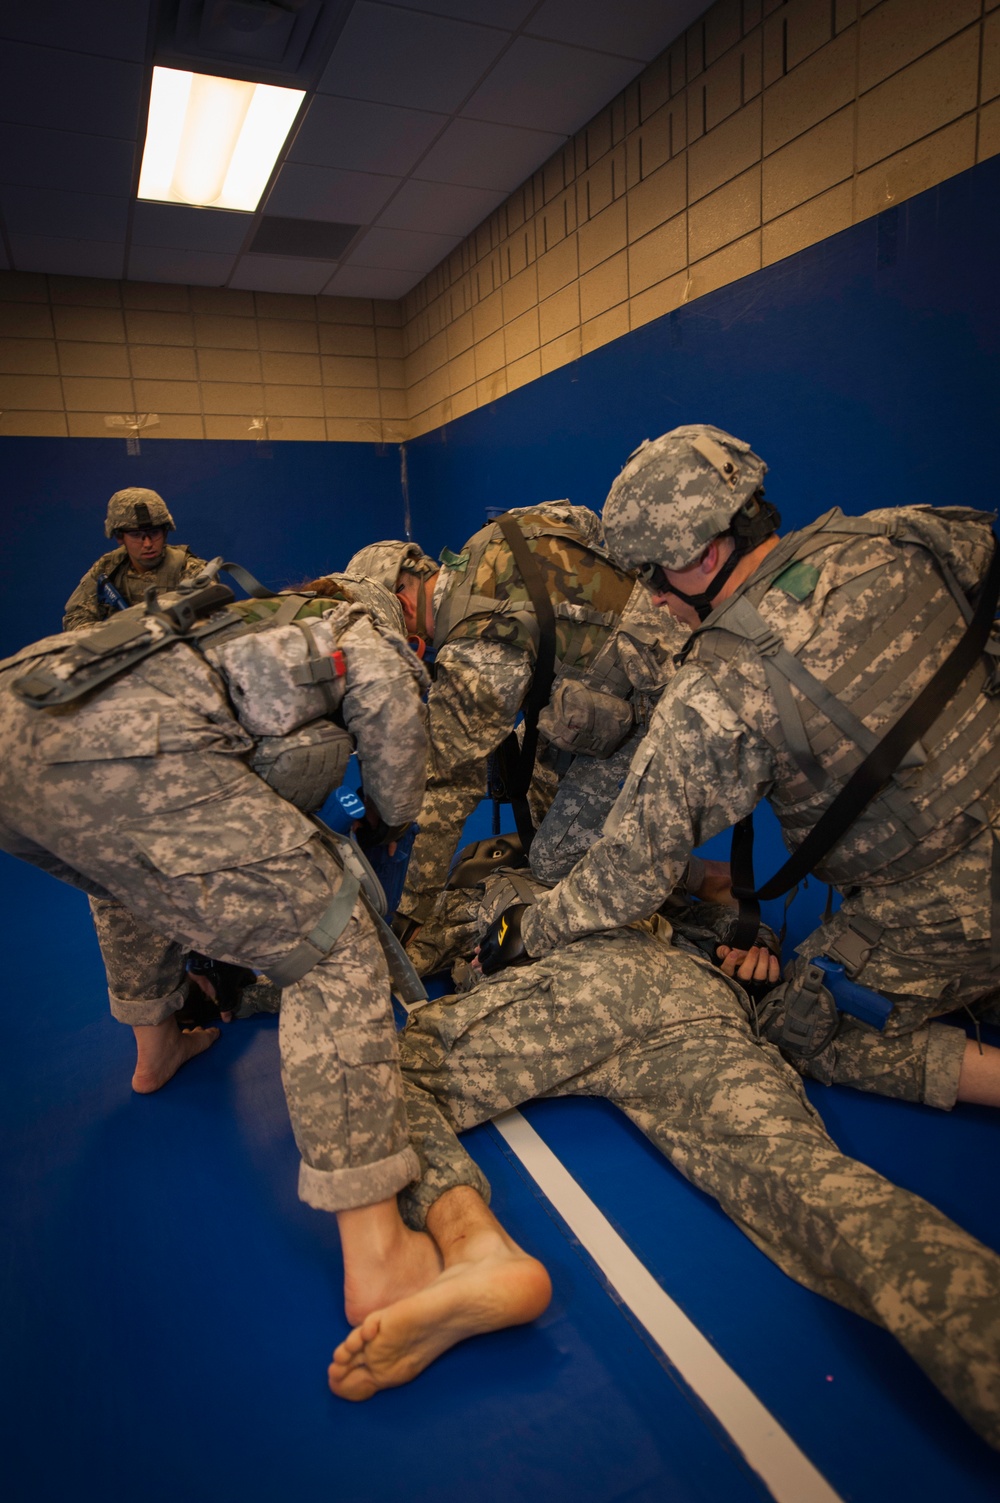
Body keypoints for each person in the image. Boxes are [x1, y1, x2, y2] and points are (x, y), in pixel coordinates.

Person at [326, 883, 1000, 1450]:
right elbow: (735, 916)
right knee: (809, 1184)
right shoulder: (633, 870)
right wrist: (754, 948)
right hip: (697, 1004)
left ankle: (477, 1246)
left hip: (578, 986)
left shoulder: (489, 881)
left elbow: (358, 961)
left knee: (373, 1076)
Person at [477, 424, 1000, 1114]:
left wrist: (528, 931)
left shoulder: (720, 685)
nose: (652, 597)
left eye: (653, 574)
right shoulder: (898, 536)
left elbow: (629, 872)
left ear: (704, 555)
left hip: (947, 908)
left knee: (798, 1020)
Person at [345, 509, 689, 973]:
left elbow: (447, 787)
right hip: (672, 651)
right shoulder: (498, 534)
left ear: (402, 607)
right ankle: (621, 846)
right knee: (524, 744)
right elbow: (587, 523)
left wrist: (403, 914)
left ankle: (672, 882)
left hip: (669, 715)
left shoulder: (475, 641)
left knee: (550, 864)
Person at [62, 487, 206, 631]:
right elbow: (75, 617)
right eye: (136, 535)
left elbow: (208, 618)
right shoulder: (108, 567)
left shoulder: (189, 568)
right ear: (119, 537)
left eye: (154, 533)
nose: (148, 544)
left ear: (165, 532)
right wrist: (116, 634)